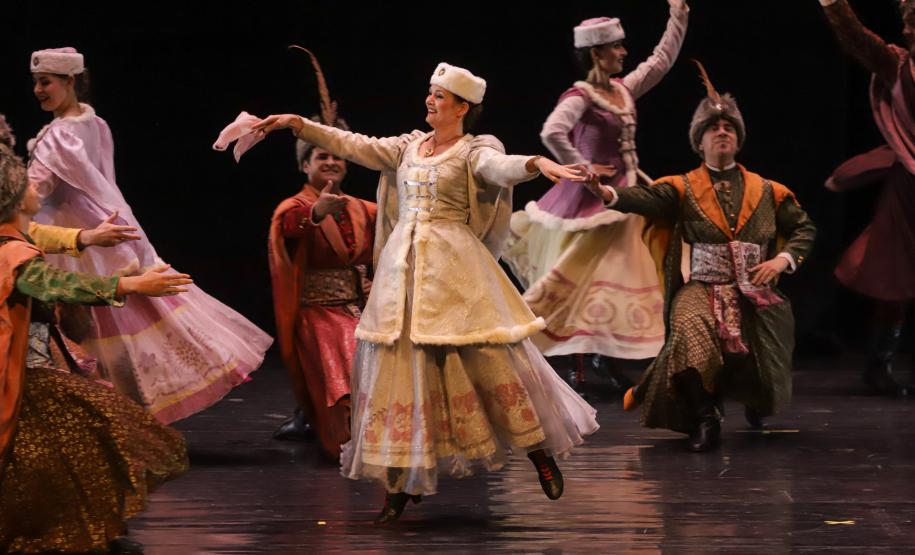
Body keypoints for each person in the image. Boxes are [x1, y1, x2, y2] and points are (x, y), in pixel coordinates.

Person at [224, 61, 599, 523]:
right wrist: (296, 124)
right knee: (403, 374)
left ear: (463, 107)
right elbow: (352, 144)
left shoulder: (474, 149)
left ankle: (538, 450)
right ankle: (401, 486)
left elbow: (498, 168)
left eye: (440, 96)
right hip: (403, 275)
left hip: (456, 271)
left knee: (489, 359)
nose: (430, 101)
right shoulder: (407, 148)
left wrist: (536, 164)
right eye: (430, 92)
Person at [26, 47, 272, 422]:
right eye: (35, 83)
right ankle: (129, 418)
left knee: (92, 339)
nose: (38, 90)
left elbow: (32, 193)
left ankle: (110, 420)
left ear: (70, 81)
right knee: (120, 332)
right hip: (110, 230)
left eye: (45, 82)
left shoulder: (59, 136)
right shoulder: (95, 123)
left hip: (80, 240)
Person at [586, 64, 816, 451]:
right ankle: (706, 419)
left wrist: (783, 261)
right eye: (713, 128)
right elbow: (641, 199)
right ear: (700, 141)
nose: (721, 132)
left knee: (763, 368)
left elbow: (803, 228)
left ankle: (758, 402)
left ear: (738, 139)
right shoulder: (681, 187)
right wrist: (605, 193)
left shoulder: (768, 190)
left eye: (728, 127)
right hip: (702, 287)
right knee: (689, 334)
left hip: (754, 291)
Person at [0, 141, 189, 554]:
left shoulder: (15, 238)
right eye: (28, 182)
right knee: (84, 437)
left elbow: (48, 247)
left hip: (37, 368)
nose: (38, 187)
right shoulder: (11, 250)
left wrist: (91, 240)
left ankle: (91, 531)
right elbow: (57, 284)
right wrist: (132, 284)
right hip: (23, 378)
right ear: (13, 195)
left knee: (69, 450)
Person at [502, 1, 688, 391]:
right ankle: (580, 358)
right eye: (616, 47)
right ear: (596, 53)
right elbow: (552, 132)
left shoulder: (623, 89)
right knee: (584, 277)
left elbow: (660, 62)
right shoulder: (581, 96)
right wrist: (582, 168)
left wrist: (679, 14)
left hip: (627, 193)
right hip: (592, 200)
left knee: (618, 275)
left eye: (622, 46)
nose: (623, 53)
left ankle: (606, 353)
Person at [266, 49, 377, 458]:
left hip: (362, 309)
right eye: (321, 156)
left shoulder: (366, 209)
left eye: (336, 156)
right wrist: (315, 215)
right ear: (305, 165)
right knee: (344, 372)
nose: (330, 162)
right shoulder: (293, 207)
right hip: (317, 313)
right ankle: (318, 420)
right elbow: (290, 230)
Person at [818, 0, 915, 397]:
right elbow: (857, 40)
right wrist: (834, 5)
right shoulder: (897, 66)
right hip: (909, 185)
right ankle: (879, 364)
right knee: (896, 274)